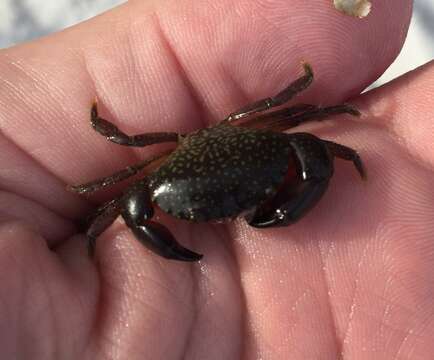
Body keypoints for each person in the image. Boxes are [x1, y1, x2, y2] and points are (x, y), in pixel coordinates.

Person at [0, 0, 432, 358]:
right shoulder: (150, 174)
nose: (237, 213)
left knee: (306, 125)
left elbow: (295, 104)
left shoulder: (258, 133)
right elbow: (119, 182)